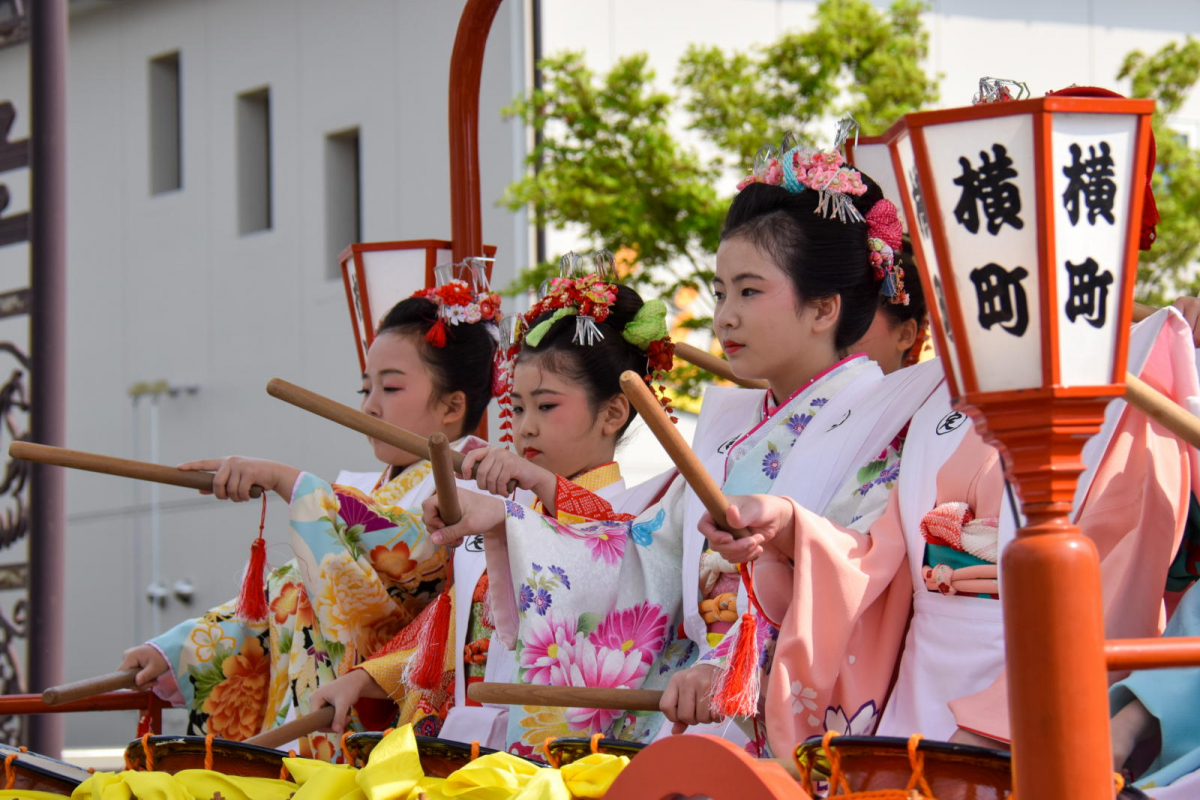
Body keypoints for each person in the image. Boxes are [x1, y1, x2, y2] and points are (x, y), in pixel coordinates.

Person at [423, 142, 944, 756]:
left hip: (783, 717)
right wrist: (508, 525)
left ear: (824, 307)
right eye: (720, 293)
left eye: (749, 292)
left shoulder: (887, 424)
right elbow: (646, 557)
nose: (724, 317)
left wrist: (735, 656)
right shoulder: (733, 430)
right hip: (697, 706)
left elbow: (863, 577)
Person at [115, 282, 501, 758]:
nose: (369, 406)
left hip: (382, 719)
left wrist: (287, 481)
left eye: (390, 387)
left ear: (452, 406)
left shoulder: (475, 486)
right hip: (312, 707)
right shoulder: (361, 489)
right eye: (365, 389)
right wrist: (181, 648)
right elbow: (288, 594)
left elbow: (413, 562)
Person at [309, 264, 679, 748]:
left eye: (546, 406)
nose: (525, 427)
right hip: (472, 741)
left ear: (612, 412)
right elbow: (446, 634)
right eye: (518, 408)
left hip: (562, 756)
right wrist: (363, 678)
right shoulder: (507, 510)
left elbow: (614, 545)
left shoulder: (647, 511)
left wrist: (520, 505)